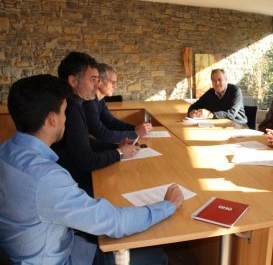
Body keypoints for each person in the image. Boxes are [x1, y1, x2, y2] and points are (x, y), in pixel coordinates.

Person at [0, 74, 184, 264]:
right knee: (156, 256)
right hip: (60, 257)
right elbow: (114, 222)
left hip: (33, 246)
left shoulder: (4, 151)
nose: (66, 119)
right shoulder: (46, 178)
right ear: (52, 119)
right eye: (64, 112)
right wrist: (167, 206)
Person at [52, 52, 138, 196]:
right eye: (93, 80)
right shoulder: (70, 108)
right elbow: (86, 161)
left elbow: (85, 142)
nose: (98, 84)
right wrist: (120, 153)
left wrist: (117, 146)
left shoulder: (75, 104)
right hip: (74, 185)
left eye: (99, 79)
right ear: (73, 81)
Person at [83, 63, 152, 144]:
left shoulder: (100, 99)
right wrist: (135, 133)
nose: (115, 87)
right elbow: (102, 134)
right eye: (112, 82)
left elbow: (111, 122)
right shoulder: (89, 102)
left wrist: (135, 128)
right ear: (100, 80)